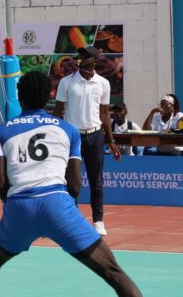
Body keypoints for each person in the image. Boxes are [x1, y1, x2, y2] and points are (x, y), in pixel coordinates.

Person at [0, 71, 141, 297]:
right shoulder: (68, 130)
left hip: (19, 206)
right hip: (58, 205)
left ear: (19, 97)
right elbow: (74, 185)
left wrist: (19, 209)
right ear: (49, 98)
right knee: (113, 272)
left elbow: (0, 184)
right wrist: (60, 213)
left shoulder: (1, 131)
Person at [53, 46, 121, 237]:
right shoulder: (67, 82)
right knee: (72, 181)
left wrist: (111, 140)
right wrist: (55, 135)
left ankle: (98, 221)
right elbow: (58, 111)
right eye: (80, 56)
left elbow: (104, 113)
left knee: (96, 181)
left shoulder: (103, 83)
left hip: (95, 135)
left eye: (85, 56)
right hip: (72, 137)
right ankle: (72, 219)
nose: (80, 59)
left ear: (94, 60)